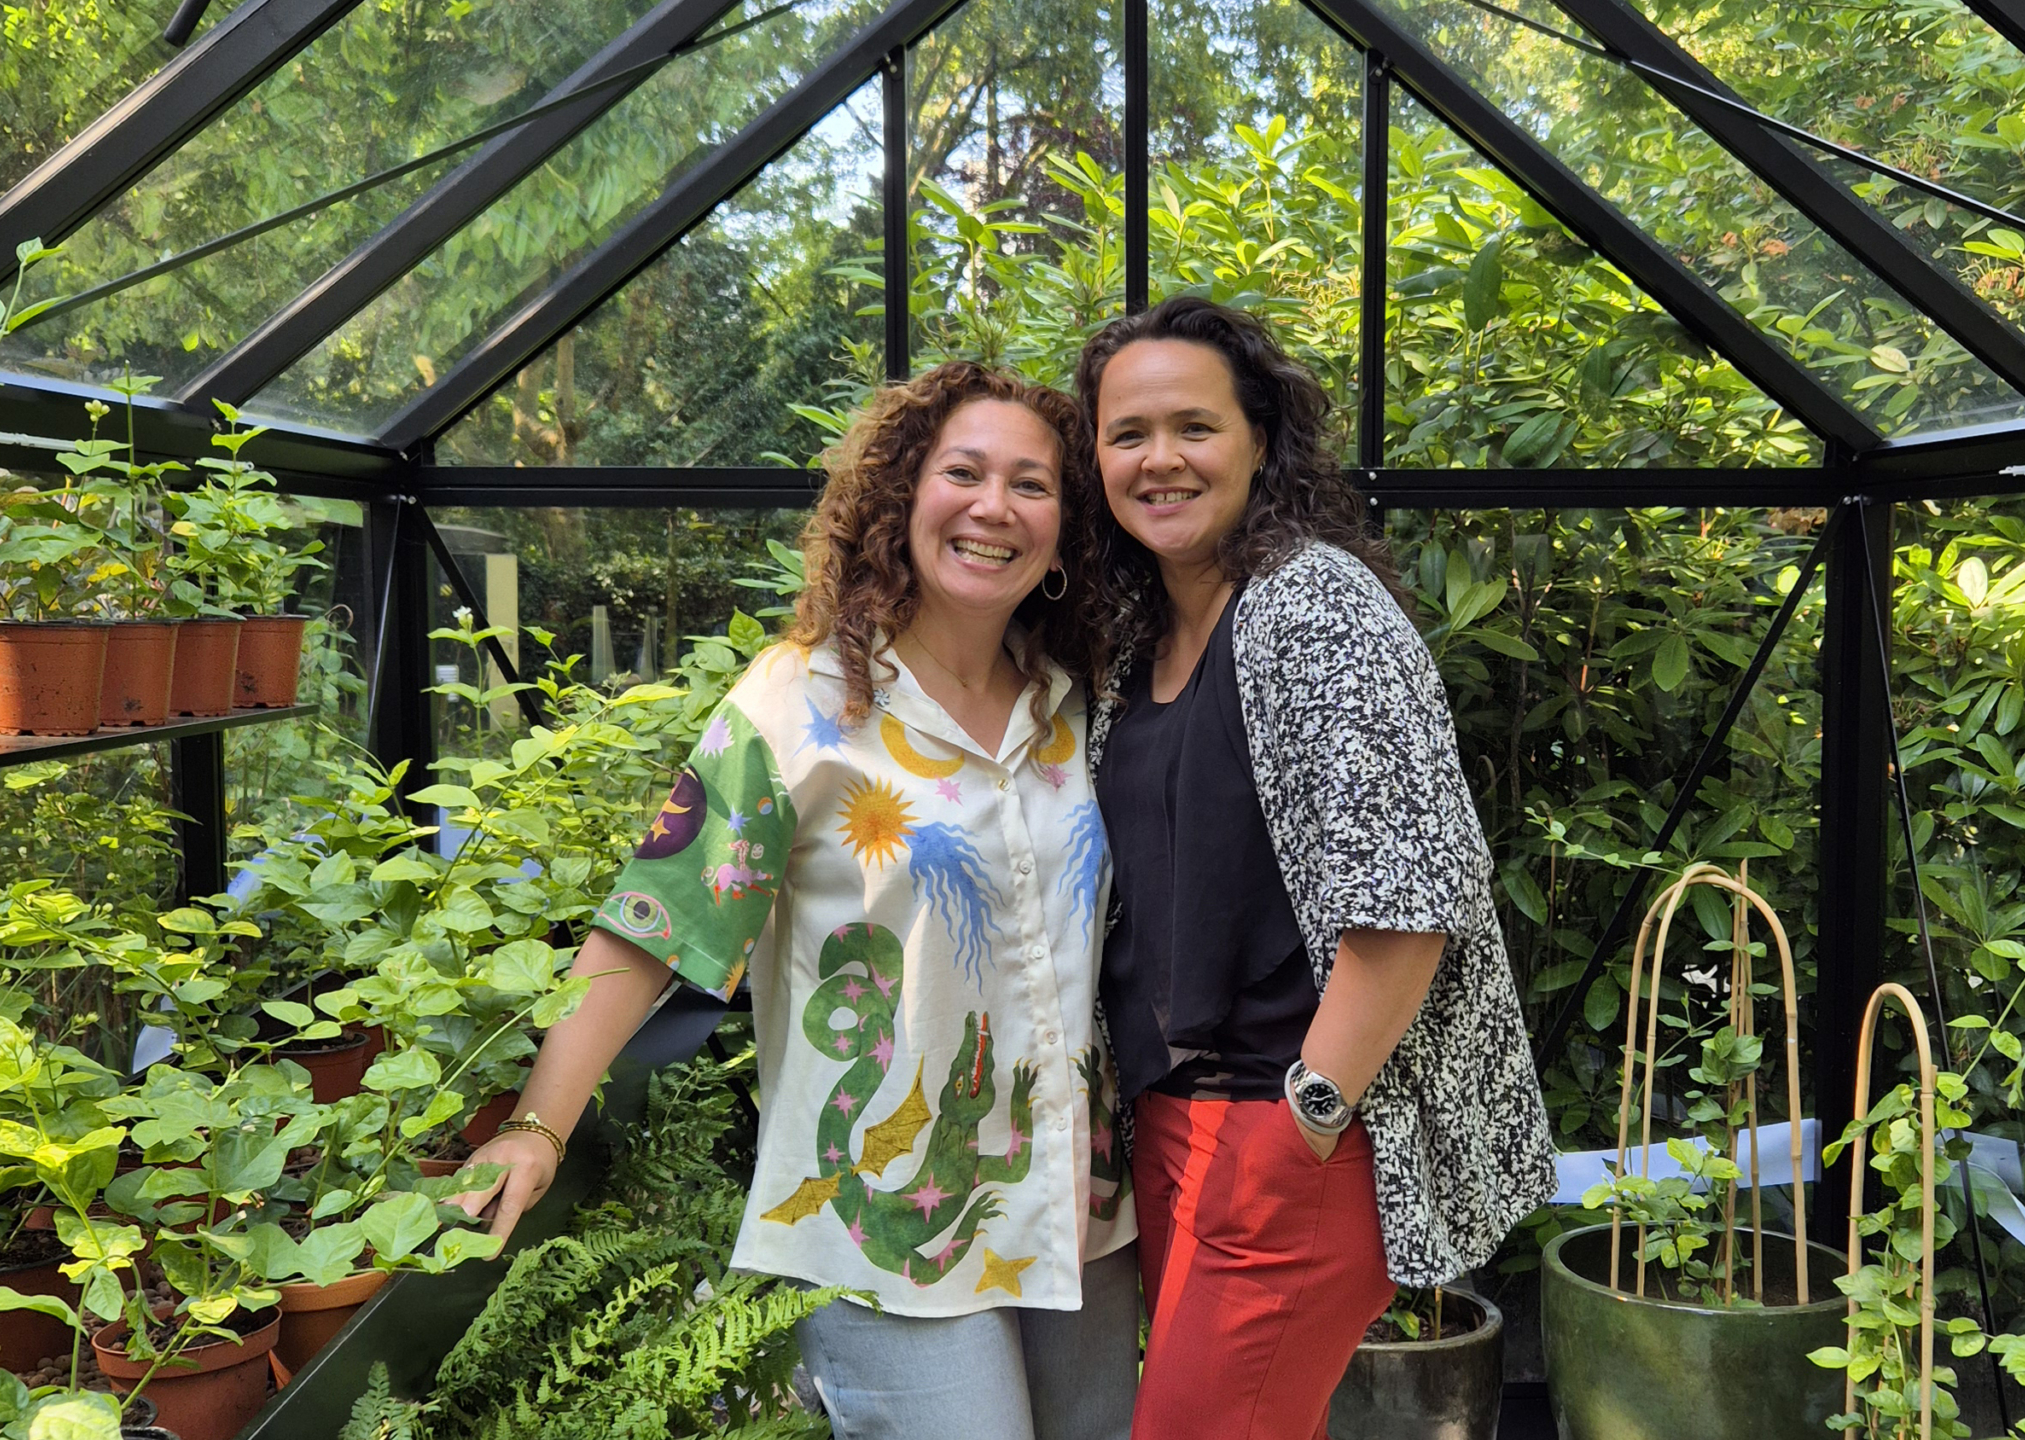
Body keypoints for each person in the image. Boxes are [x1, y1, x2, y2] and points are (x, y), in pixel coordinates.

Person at [459, 361, 1140, 1440]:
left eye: (1033, 484)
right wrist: (539, 1126)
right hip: (880, 1222)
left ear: (1066, 529)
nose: (993, 508)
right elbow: (660, 916)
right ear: (900, 496)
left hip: (1077, 1207)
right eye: (962, 472)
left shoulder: (1073, 700)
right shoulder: (801, 702)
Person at [1072, 296, 1551, 1440]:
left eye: (1194, 426)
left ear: (1259, 441)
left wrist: (1309, 1119)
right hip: (1175, 1123)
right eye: (1125, 433)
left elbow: (1409, 905)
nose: (1160, 459)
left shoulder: (1315, 607)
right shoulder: (1139, 640)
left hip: (1294, 1122)